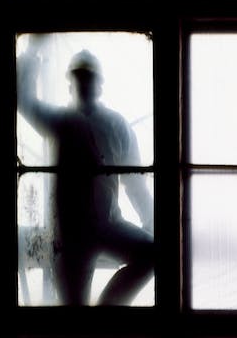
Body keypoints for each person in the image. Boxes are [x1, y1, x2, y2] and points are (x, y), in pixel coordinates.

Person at [17, 36, 154, 306]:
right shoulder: (102, 124)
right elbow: (135, 183)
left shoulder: (66, 122)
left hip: (88, 230)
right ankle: (106, 312)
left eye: (87, 77)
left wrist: (150, 222)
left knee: (152, 253)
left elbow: (135, 184)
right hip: (81, 233)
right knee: (75, 314)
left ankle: (105, 312)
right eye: (82, 77)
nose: (85, 83)